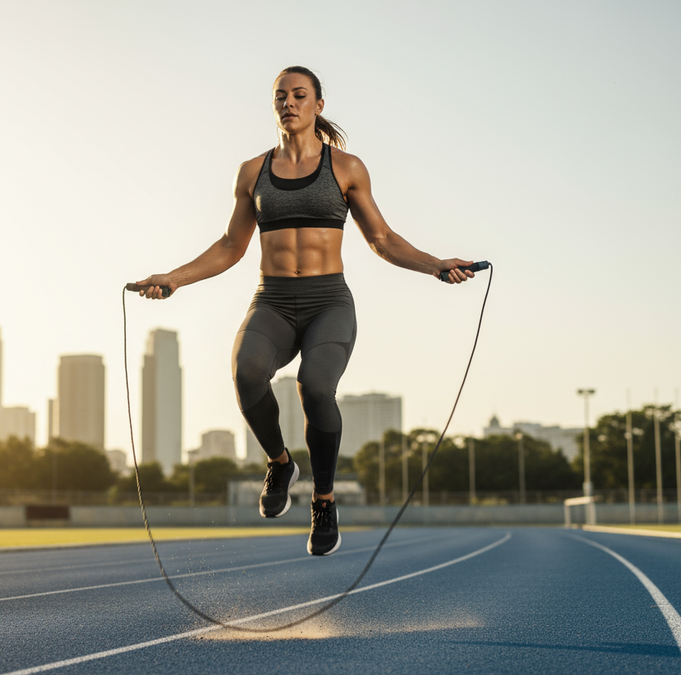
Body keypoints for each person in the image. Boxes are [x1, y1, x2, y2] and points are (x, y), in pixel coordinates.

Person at [135, 66, 475, 556]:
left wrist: (436, 265)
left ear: (318, 104)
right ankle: (280, 464)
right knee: (246, 373)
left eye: (299, 95)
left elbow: (382, 239)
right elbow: (230, 246)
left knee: (314, 387)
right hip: (272, 300)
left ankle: (324, 500)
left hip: (327, 302)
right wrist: (174, 278)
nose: (288, 103)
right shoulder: (252, 172)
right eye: (281, 96)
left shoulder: (346, 168)